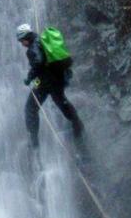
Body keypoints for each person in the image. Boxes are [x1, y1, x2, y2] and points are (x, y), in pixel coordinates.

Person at [16, 23, 84, 151]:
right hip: (57, 78)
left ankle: (34, 141)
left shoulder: (33, 47)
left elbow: (38, 62)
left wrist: (29, 78)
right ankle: (78, 126)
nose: (21, 44)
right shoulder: (41, 41)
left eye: (21, 41)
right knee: (61, 101)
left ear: (25, 38)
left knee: (30, 108)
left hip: (46, 81)